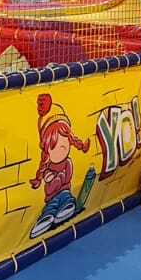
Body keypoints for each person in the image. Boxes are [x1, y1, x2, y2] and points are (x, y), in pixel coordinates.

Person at [28, 94, 90, 238]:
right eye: (54, 146)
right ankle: (46, 218)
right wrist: (50, 179)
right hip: (51, 197)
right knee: (51, 206)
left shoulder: (67, 163)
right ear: (47, 151)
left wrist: (57, 178)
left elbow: (67, 177)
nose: (62, 148)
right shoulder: (48, 167)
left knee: (66, 198)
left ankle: (66, 208)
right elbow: (49, 187)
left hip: (65, 191)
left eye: (65, 143)